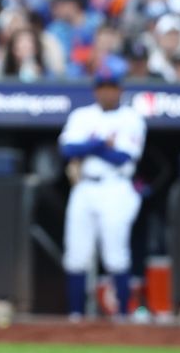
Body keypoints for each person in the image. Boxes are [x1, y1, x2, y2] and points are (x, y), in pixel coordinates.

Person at [59, 56, 146, 321]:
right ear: (95, 89)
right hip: (85, 186)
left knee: (115, 254)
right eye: (102, 86)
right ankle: (76, 316)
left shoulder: (132, 118)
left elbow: (124, 157)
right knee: (76, 253)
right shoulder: (82, 115)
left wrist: (88, 146)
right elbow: (66, 149)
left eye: (111, 86)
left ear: (120, 89)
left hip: (116, 188)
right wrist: (100, 144)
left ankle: (121, 316)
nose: (107, 91)